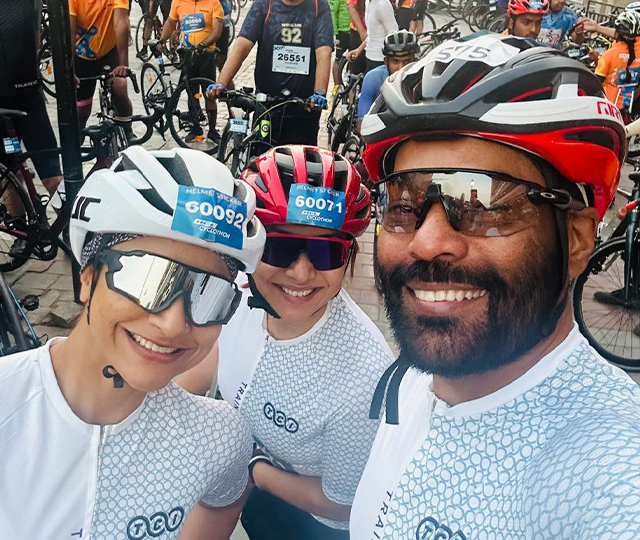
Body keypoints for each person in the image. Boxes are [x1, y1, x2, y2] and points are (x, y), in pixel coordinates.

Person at [349, 33, 640, 539]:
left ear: (576, 240)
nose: (426, 242)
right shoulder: (416, 378)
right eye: (402, 204)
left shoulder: (607, 470)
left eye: (482, 203)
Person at [0, 146, 267, 539]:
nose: (173, 324)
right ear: (87, 277)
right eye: (147, 278)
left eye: (209, 295)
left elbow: (225, 500)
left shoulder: (220, 437)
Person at [178, 145, 395, 540]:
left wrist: (254, 469)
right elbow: (208, 358)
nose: (301, 273)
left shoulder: (363, 377)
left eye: (326, 252)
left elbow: (344, 502)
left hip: (311, 523)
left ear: (349, 258)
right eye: (280, 248)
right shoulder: (238, 289)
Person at [210, 0, 334, 146]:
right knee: (259, 156)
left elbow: (324, 52)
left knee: (301, 158)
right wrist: (221, 83)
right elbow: (242, 45)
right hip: (267, 105)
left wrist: (319, 92)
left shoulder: (319, 5)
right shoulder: (264, 3)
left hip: (304, 107)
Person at [0, 0, 63, 255]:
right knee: (10, 172)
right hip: (20, 96)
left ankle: (70, 226)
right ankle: (22, 228)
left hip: (26, 96)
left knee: (49, 174)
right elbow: (36, 40)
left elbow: (36, 39)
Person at [159, 0, 224, 144]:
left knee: (209, 94)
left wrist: (203, 44)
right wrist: (162, 40)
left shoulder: (214, 3)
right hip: (187, 55)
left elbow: (217, 31)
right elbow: (170, 22)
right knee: (191, 92)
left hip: (206, 55)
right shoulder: (178, 2)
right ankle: (196, 128)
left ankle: (212, 130)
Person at [69, 0, 133, 131]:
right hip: (82, 57)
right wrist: (69, 69)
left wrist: (123, 64)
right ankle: (78, 139)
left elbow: (121, 23)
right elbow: (70, 31)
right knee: (81, 112)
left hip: (109, 51)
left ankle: (127, 129)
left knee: (120, 87)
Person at [357, 30, 417, 132]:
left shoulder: (422, 80)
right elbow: (362, 125)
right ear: (386, 62)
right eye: (395, 62)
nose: (401, 68)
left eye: (407, 62)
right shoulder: (373, 78)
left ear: (415, 61)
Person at [594, 10, 640, 120]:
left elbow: (596, 84)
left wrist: (597, 60)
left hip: (606, 109)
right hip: (627, 109)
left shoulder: (609, 55)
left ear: (617, 32)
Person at [351, 0, 399, 73]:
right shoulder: (368, 3)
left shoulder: (382, 5)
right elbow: (372, 34)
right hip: (370, 57)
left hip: (380, 60)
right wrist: (359, 50)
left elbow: (393, 34)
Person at [330, 0, 353, 93]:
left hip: (354, 30)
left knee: (354, 59)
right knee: (338, 59)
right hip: (342, 31)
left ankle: (351, 85)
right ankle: (337, 85)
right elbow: (332, 12)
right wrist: (334, 32)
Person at [347, 0, 367, 75]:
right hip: (359, 32)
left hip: (377, 32)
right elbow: (351, 7)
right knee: (358, 70)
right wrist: (361, 31)